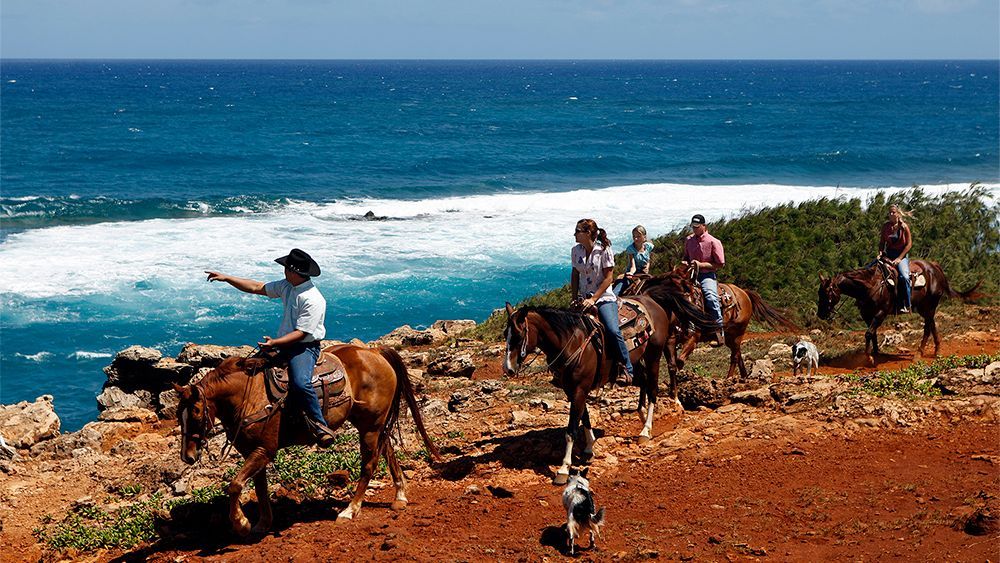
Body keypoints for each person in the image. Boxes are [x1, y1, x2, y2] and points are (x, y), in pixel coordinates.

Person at [205, 248, 335, 447]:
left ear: (294, 272)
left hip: (303, 348)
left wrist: (275, 343)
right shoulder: (288, 286)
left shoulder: (313, 299)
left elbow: (301, 333)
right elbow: (257, 287)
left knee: (301, 383)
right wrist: (227, 278)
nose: (283, 271)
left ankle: (319, 424)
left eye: (286, 269)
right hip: (284, 344)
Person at [572, 219, 635, 386]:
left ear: (587, 233)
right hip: (583, 299)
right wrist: (574, 297)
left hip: (603, 298)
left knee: (613, 330)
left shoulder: (604, 250)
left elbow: (609, 279)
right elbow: (575, 275)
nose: (574, 234)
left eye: (578, 231)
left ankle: (627, 368)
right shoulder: (576, 251)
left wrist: (593, 299)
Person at [683, 214, 726, 347]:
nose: (694, 230)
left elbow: (720, 264)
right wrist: (685, 262)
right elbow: (685, 257)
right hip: (691, 274)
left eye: (697, 227)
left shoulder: (713, 242)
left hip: (707, 275)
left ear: (704, 226)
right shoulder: (689, 240)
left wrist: (700, 265)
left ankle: (719, 331)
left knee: (710, 296)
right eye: (693, 227)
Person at [878, 203, 913, 313]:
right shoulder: (886, 226)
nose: (891, 214)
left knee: (904, 277)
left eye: (893, 212)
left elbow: (908, 245)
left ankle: (907, 304)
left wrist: (899, 258)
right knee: (871, 270)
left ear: (898, 214)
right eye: (890, 213)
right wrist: (880, 253)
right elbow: (882, 242)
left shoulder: (904, 227)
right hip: (888, 255)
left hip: (901, 255)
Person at [613, 225, 655, 296]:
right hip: (632, 274)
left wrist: (647, 267)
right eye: (634, 236)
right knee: (617, 291)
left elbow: (648, 259)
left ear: (644, 237)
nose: (635, 239)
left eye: (638, 236)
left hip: (644, 274)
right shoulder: (630, 249)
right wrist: (631, 273)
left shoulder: (648, 246)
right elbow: (633, 266)